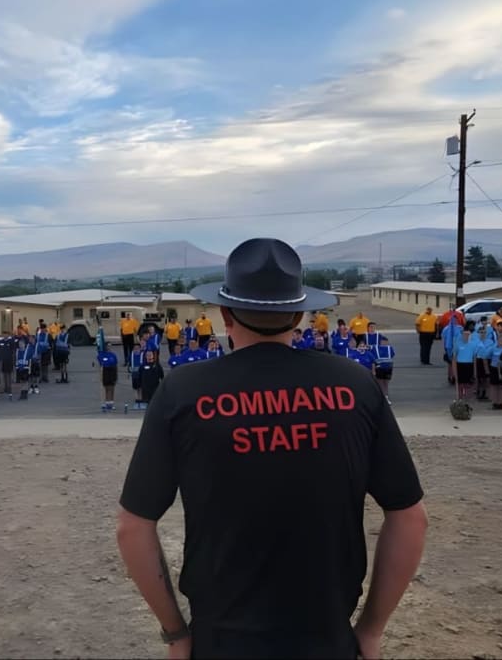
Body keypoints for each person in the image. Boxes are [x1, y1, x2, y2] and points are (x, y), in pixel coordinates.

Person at [117, 238, 426, 659]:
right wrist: (371, 629)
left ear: (225, 313)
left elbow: (133, 527)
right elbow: (410, 518)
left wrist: (176, 633)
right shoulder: (355, 385)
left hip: (221, 640)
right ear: (298, 314)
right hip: (327, 637)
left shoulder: (183, 392)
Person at [451, 326, 477, 403]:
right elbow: (454, 359)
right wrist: (454, 372)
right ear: (462, 335)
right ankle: (460, 399)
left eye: (468, 334)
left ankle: (467, 400)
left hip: (469, 366)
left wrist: (475, 372)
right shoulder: (457, 344)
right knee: (460, 384)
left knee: (468, 385)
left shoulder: (473, 345)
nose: (466, 336)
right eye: (465, 334)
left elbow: (474, 359)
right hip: (460, 366)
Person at [441, 313, 464, 386]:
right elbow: (444, 339)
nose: (455, 321)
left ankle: (454, 376)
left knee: (454, 363)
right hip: (449, 347)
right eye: (454, 319)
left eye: (456, 319)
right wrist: (445, 348)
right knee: (450, 363)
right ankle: (451, 376)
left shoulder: (460, 328)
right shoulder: (447, 329)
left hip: (457, 347)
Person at [374, 336, 395, 403]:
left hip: (388, 368)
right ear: (380, 342)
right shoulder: (375, 348)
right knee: (380, 384)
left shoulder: (389, 348)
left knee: (386, 384)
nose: (384, 343)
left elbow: (392, 355)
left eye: (386, 341)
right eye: (383, 341)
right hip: (380, 368)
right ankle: (382, 397)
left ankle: (386, 397)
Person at [98, 346, 119, 412]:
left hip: (112, 371)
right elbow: (100, 361)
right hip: (105, 371)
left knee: (112, 388)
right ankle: (106, 403)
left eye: (110, 346)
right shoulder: (102, 354)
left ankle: (111, 403)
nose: (109, 347)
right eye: (108, 346)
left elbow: (116, 364)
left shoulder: (113, 355)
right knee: (106, 388)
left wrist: (116, 375)